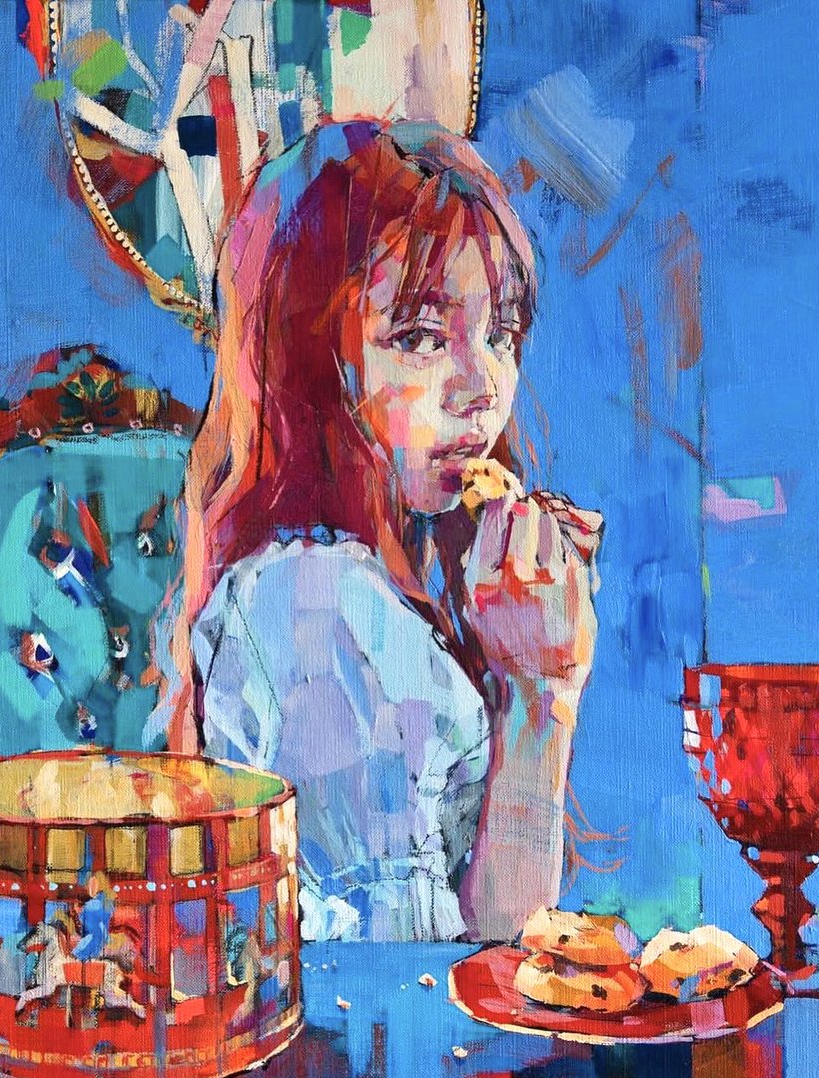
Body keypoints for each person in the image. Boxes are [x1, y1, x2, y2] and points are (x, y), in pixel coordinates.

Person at [159, 120, 601, 943]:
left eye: (500, 333)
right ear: (313, 357)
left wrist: (542, 690)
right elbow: (416, 979)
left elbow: (495, 945)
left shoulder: (383, 585)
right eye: (421, 337)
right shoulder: (317, 608)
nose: (482, 385)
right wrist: (539, 700)